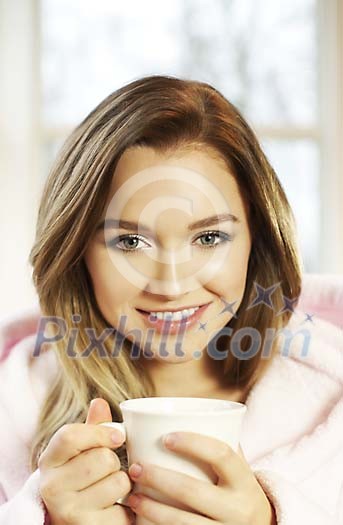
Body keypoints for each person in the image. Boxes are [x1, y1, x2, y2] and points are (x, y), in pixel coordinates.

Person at [0, 74, 342, 525]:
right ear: (77, 252)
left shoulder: (329, 400)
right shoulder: (15, 403)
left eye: (209, 236)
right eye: (130, 243)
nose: (172, 284)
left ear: (255, 237)